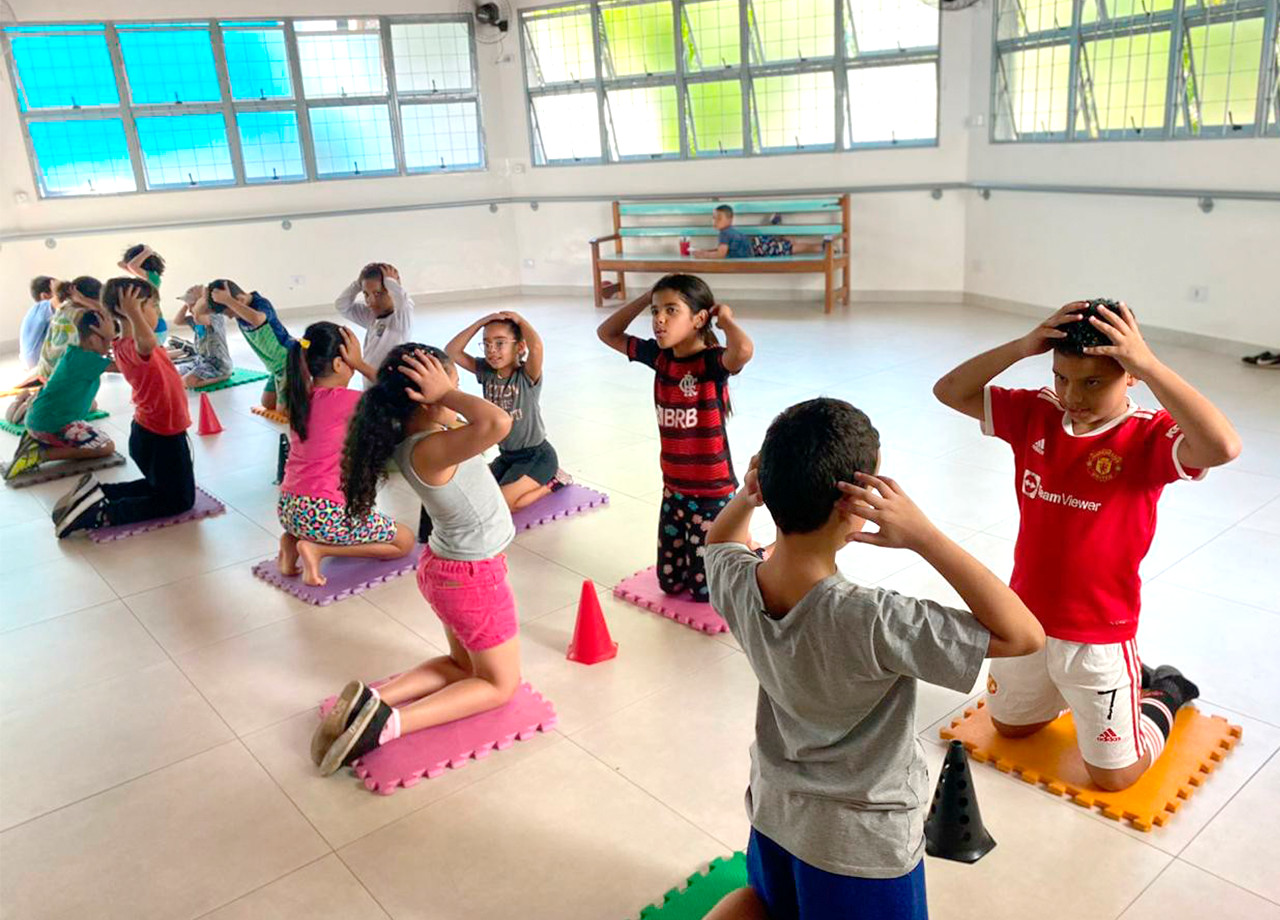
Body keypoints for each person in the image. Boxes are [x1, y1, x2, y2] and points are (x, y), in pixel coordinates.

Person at [700, 398, 1045, 920]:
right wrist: (925, 537)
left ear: (766, 488)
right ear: (853, 505)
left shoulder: (738, 581)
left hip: (774, 817)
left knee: (767, 908)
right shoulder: (876, 620)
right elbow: (1024, 635)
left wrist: (747, 497)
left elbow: (718, 540)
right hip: (859, 851)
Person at [932, 298, 1242, 791]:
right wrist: (1022, 346)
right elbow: (948, 390)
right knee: (1010, 728)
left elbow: (1223, 446)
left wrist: (1149, 362)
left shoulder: (1148, 437)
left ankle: (1160, 690)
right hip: (1026, 622)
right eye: (1062, 377)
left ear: (1130, 376)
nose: (1072, 395)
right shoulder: (1037, 412)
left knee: (1114, 778)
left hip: (1100, 631)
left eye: (1093, 382)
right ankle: (1075, 692)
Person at [311, 345, 519, 777]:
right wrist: (446, 393)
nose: (456, 395)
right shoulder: (432, 450)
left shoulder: (417, 441)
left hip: (447, 569)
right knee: (500, 685)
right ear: (427, 400)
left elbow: (472, 422)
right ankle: (389, 724)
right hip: (472, 577)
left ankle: (375, 699)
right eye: (450, 388)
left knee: (463, 666)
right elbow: (498, 422)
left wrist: (436, 395)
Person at [597, 274, 753, 601]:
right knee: (668, 583)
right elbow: (607, 332)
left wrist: (725, 320)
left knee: (703, 591)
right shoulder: (660, 358)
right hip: (674, 488)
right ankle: (735, 540)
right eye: (655, 312)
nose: (659, 320)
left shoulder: (711, 361)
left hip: (711, 491)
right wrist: (644, 299)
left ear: (698, 319)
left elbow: (743, 350)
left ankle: (749, 550)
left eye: (671, 310)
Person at [54, 278, 195, 538]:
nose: (157, 312)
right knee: (179, 501)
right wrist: (133, 313)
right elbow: (147, 342)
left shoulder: (123, 345)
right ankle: (101, 512)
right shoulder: (139, 347)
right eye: (152, 306)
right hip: (162, 437)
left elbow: (144, 339)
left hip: (151, 433)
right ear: (135, 312)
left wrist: (129, 313)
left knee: (162, 488)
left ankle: (100, 493)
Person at [277, 321, 415, 586]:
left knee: (315, 519)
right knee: (405, 541)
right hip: (324, 512)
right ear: (340, 364)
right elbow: (396, 393)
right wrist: (361, 363)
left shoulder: (298, 398)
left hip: (288, 508)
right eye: (350, 360)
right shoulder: (348, 400)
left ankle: (290, 543)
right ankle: (319, 550)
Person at [444, 310, 569, 511]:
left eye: (500, 343)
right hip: (507, 456)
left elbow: (536, 346)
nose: (491, 350)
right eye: (486, 344)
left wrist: (520, 320)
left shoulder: (527, 374)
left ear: (519, 347)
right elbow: (451, 350)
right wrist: (481, 322)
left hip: (537, 456)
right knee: (474, 493)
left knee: (503, 504)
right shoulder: (485, 371)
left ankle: (552, 483)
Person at [6, 311, 116, 481]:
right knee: (105, 446)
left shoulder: (75, 353)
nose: (111, 344)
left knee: (90, 419)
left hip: (40, 419)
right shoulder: (86, 359)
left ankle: (38, 442)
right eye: (109, 339)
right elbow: (127, 366)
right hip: (51, 423)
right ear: (93, 339)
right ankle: (40, 455)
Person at [206, 279, 294, 409]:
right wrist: (206, 293)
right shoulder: (239, 308)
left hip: (289, 362)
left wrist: (229, 301)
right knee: (267, 404)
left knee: (284, 411)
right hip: (276, 368)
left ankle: (307, 392)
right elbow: (202, 312)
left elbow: (257, 319)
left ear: (240, 300)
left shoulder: (261, 303)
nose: (231, 317)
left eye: (230, 313)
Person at [335, 263, 414, 387]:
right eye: (366, 294)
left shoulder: (400, 321)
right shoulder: (371, 317)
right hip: (370, 385)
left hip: (389, 388)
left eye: (378, 293)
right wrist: (358, 284)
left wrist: (391, 282)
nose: (370, 301)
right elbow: (342, 306)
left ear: (392, 291)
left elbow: (404, 302)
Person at [690, 205, 827, 260]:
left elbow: (721, 254)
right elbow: (721, 250)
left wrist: (703, 255)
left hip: (757, 250)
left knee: (790, 248)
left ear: (730, 219)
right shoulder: (727, 232)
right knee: (786, 245)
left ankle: (821, 246)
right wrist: (706, 250)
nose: (715, 221)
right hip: (755, 243)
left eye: (719, 218)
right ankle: (778, 231)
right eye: (714, 218)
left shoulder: (724, 233)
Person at [173, 285, 233, 389]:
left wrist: (203, 299)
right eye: (189, 306)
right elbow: (177, 321)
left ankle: (224, 376)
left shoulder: (215, 316)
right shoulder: (195, 318)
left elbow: (200, 318)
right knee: (174, 375)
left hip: (218, 365)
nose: (191, 309)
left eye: (193, 305)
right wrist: (186, 305)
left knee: (187, 382)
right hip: (201, 361)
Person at [118, 243, 168, 335]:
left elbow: (132, 266)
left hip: (156, 327)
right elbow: (121, 264)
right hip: (149, 324)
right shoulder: (142, 278)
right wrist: (145, 253)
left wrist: (147, 251)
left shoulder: (153, 278)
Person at [19, 276, 56, 370]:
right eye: (58, 290)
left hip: (29, 362)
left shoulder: (37, 311)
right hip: (37, 364)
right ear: (44, 296)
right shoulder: (44, 306)